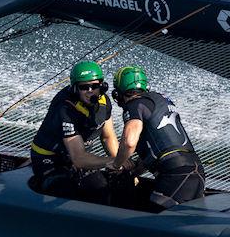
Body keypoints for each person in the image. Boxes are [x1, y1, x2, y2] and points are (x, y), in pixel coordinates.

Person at [109, 66, 205, 211]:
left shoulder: (134, 105)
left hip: (174, 174)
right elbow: (158, 150)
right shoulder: (161, 100)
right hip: (196, 170)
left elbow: (129, 143)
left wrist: (116, 164)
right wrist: (134, 172)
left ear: (118, 93)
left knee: (147, 223)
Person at [30, 61, 119, 204]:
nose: (90, 91)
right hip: (50, 159)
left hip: (80, 158)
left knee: (103, 190)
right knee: (65, 192)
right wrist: (110, 161)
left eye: (95, 86)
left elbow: (108, 137)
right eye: (84, 87)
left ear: (102, 86)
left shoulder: (104, 102)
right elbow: (78, 158)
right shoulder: (65, 108)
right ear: (75, 88)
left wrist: (120, 162)